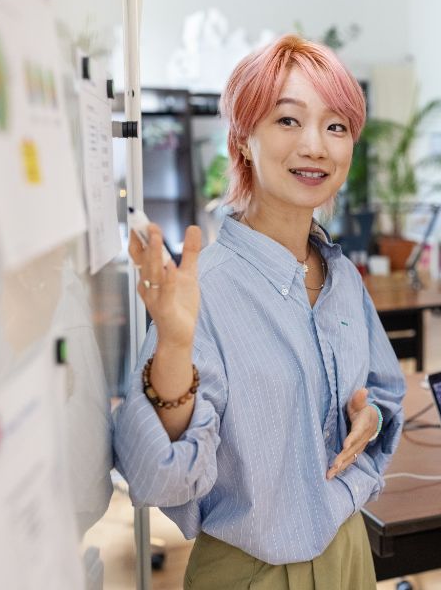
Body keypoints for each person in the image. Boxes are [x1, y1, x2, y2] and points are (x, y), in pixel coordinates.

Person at [113, 35, 405, 589]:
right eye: (288, 121)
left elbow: (384, 392)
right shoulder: (209, 289)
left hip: (349, 549)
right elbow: (155, 477)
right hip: (253, 573)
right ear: (242, 140)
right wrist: (174, 345)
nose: (316, 146)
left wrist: (368, 421)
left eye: (336, 126)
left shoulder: (341, 276)